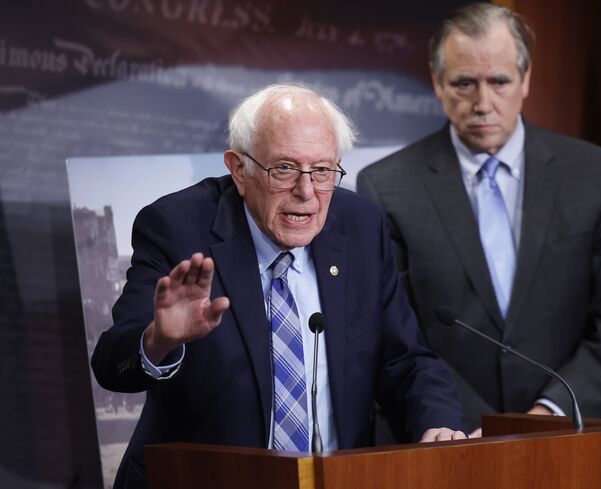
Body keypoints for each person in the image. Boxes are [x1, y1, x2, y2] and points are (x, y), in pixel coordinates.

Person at [91, 84, 466, 489]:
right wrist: (158, 340)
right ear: (239, 169)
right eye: (284, 168)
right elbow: (113, 364)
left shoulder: (360, 228)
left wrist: (439, 424)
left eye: (323, 171)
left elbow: (406, 360)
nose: (306, 193)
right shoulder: (176, 228)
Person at [356, 2, 601, 436]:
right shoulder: (386, 185)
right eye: (464, 83)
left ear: (526, 80)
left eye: (499, 82)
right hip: (450, 438)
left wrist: (550, 412)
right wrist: (474, 424)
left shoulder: (593, 174)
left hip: (568, 439)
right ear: (437, 83)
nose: (483, 103)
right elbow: (396, 333)